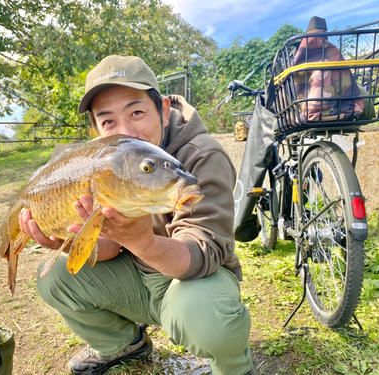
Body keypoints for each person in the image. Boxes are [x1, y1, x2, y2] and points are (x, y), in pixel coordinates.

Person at [19, 55, 257, 375]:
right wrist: (72, 240)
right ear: (96, 130)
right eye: (108, 121)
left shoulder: (200, 156)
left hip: (192, 281)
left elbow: (203, 253)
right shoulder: (103, 167)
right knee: (57, 276)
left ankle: (235, 367)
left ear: (163, 109)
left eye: (137, 111)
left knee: (205, 314)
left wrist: (142, 240)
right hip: (136, 281)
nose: (126, 131)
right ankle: (125, 344)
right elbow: (110, 248)